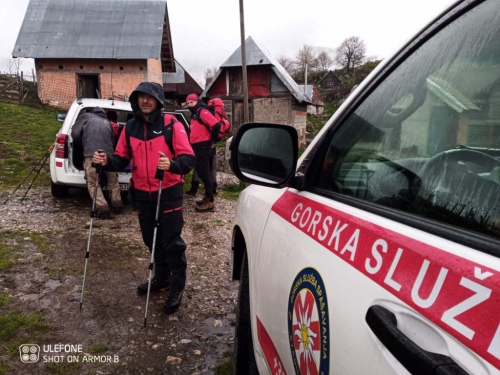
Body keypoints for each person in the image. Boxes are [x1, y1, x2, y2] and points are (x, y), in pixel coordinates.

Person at [92, 82, 195, 314]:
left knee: (173, 244)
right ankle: (162, 278)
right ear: (136, 100)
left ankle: (177, 286)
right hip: (142, 195)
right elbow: (120, 158)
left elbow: (189, 159)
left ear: (158, 100)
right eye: (141, 97)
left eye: (150, 97)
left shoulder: (172, 125)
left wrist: (172, 164)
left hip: (167, 194)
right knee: (151, 240)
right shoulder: (130, 128)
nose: (145, 101)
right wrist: (106, 160)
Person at [71, 107, 123, 218]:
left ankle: (103, 208)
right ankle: (118, 205)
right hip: (108, 155)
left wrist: (84, 142)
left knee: (93, 183)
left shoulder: (85, 117)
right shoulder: (107, 122)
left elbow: (74, 134)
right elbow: (113, 140)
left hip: (91, 154)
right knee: (113, 180)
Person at [185, 94, 221, 212]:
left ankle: (210, 202)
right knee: (202, 173)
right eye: (188, 103)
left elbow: (216, 125)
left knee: (205, 174)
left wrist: (213, 142)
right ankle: (207, 197)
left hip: (203, 147)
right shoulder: (195, 113)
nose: (189, 104)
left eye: (191, 102)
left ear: (197, 101)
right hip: (197, 147)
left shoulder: (202, 112)